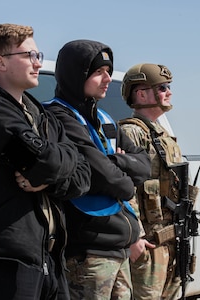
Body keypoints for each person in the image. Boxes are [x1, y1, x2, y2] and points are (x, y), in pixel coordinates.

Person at [0, 23, 91, 300]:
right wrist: (57, 164)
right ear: (0, 63)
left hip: (48, 261)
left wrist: (46, 182)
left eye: (38, 55)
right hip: (2, 262)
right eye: (28, 55)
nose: (37, 62)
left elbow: (83, 175)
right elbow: (43, 160)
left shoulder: (43, 118)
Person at [43, 40, 151, 299]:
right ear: (76, 75)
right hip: (87, 254)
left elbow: (144, 165)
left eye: (108, 71)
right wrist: (122, 177)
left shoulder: (106, 120)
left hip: (119, 250)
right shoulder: (59, 117)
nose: (107, 79)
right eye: (98, 72)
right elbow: (101, 173)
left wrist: (113, 163)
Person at [119, 63, 199, 300]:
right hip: (149, 243)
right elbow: (126, 188)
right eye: (162, 87)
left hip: (171, 239)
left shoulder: (164, 136)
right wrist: (134, 237)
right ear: (141, 94)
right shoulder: (132, 132)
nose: (169, 92)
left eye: (168, 87)